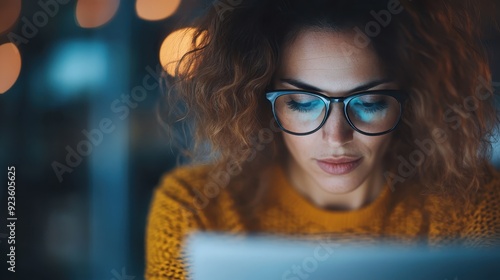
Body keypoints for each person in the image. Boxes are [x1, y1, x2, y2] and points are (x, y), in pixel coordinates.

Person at [145, 0, 500, 279]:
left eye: (370, 103)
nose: (335, 136)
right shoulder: (195, 210)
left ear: (415, 102)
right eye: (302, 103)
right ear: (259, 101)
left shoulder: (472, 203)